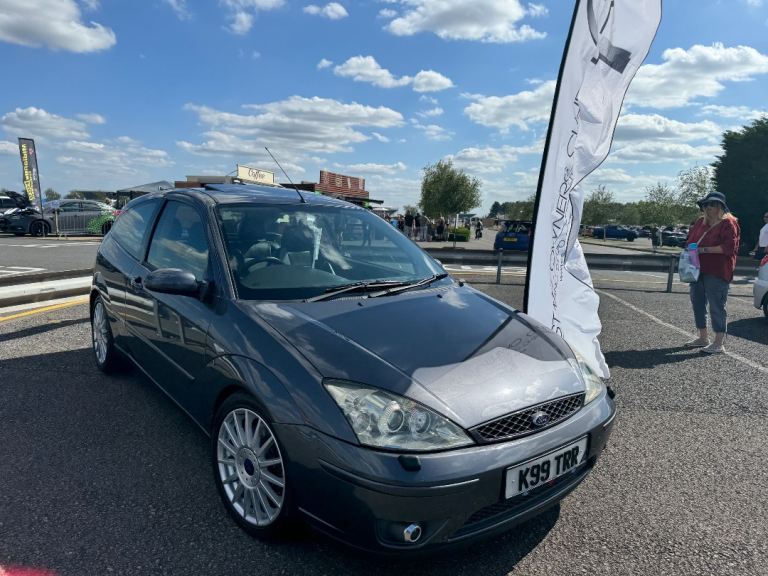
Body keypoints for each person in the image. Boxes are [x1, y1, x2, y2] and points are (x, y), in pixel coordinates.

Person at [684, 191, 740, 354]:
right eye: (706, 204)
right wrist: (692, 248)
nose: (709, 207)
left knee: (717, 306)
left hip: (717, 271)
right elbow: (690, 241)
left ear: (721, 207)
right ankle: (703, 338)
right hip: (697, 269)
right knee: (697, 303)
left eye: (713, 204)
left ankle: (718, 342)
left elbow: (729, 248)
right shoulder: (700, 222)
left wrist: (703, 249)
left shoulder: (729, 223)